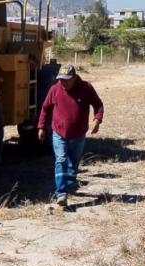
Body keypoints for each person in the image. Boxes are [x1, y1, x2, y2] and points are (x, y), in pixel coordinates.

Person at [37, 64, 104, 208]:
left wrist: (97, 120)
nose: (63, 82)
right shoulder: (55, 89)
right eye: (60, 79)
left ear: (74, 77)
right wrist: (41, 127)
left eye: (66, 79)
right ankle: (61, 193)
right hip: (59, 133)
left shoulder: (86, 88)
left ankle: (68, 183)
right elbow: (45, 108)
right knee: (60, 160)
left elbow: (98, 105)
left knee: (73, 164)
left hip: (78, 134)